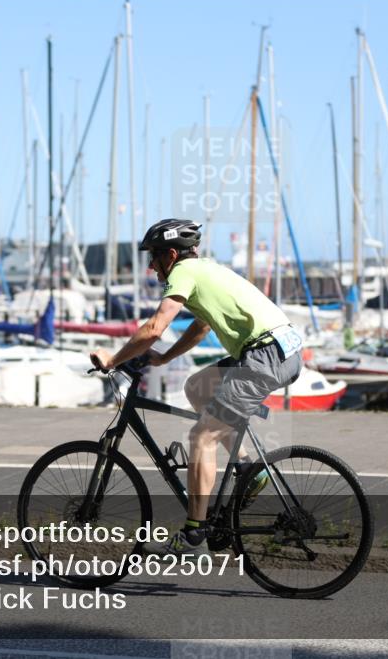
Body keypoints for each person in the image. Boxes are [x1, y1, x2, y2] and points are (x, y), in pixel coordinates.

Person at [90, 219, 303, 557]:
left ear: (171, 255)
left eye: (154, 258)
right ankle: (249, 469)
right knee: (197, 388)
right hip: (280, 350)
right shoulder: (207, 271)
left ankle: (193, 534)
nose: (151, 266)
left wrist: (114, 359)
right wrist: (164, 359)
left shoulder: (182, 274)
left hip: (265, 356)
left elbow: (155, 327)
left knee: (202, 438)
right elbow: (202, 326)